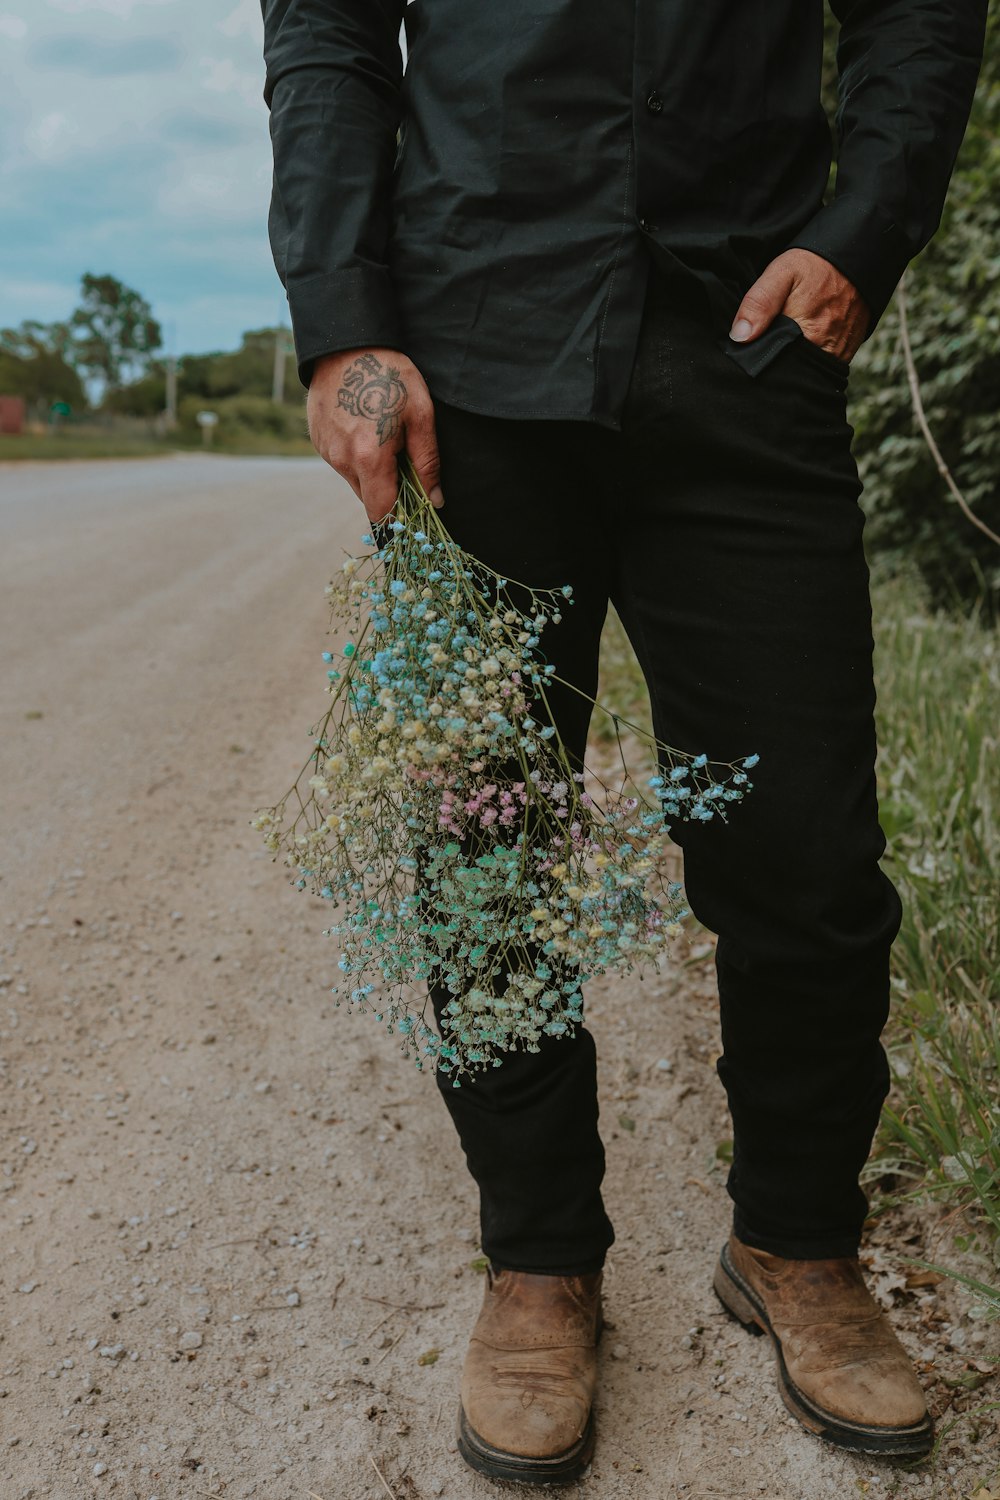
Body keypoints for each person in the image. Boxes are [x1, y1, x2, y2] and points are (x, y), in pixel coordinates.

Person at [259, 0, 986, 1483]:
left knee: (808, 849)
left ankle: (796, 1241)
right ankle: (537, 1261)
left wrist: (867, 222)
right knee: (483, 850)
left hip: (748, 347)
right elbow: (326, 29)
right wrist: (343, 317)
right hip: (469, 359)